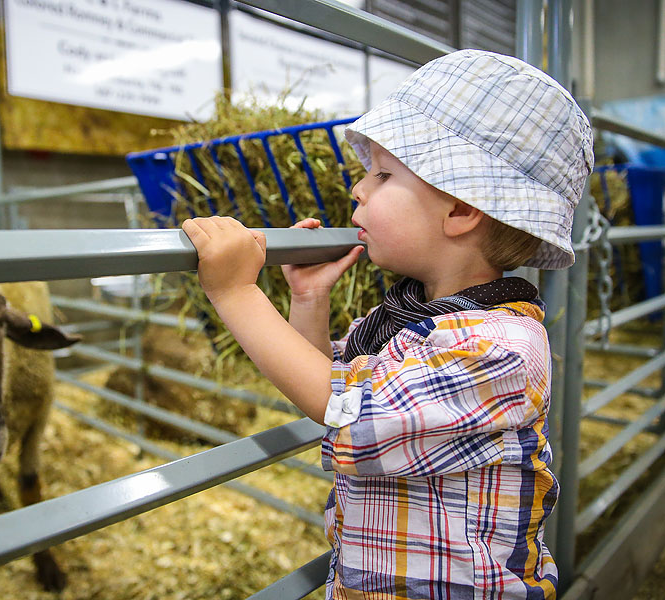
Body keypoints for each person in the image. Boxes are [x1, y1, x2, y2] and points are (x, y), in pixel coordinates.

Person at [180, 49, 594, 599]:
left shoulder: (499, 347)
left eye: (382, 174)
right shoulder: (406, 316)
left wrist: (234, 291)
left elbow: (342, 407)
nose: (358, 188)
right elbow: (324, 381)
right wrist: (307, 299)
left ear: (460, 209)